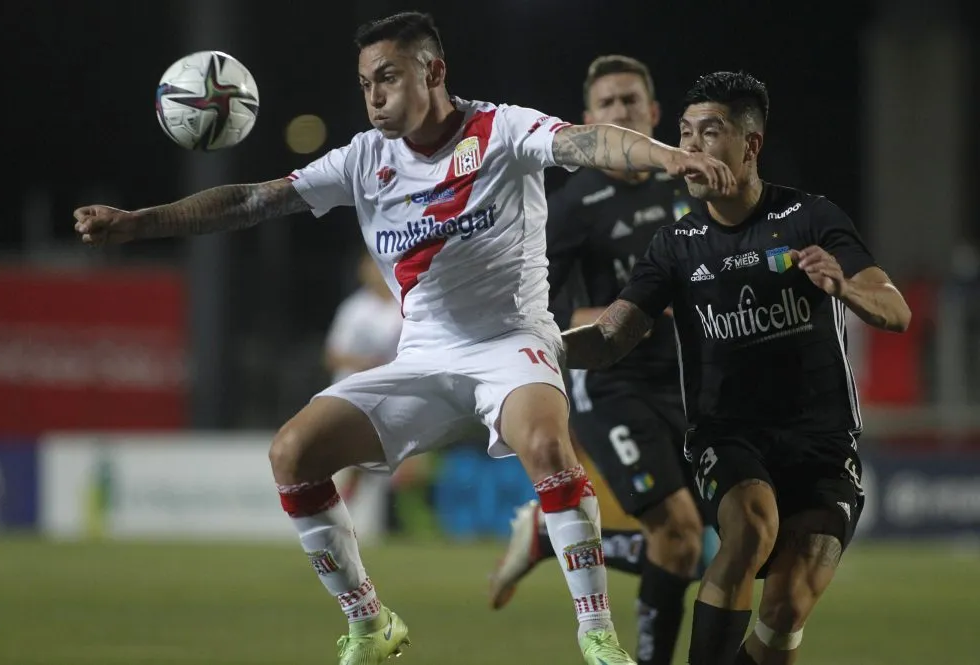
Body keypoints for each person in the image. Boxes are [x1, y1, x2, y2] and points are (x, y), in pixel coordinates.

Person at [72, 12, 734, 665]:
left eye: (388, 76)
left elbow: (588, 143)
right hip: (423, 355)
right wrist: (138, 222)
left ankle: (597, 638)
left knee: (545, 443)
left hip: (510, 342)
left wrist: (670, 157)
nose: (374, 95)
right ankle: (370, 621)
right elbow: (252, 199)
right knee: (292, 452)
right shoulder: (364, 158)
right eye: (365, 83)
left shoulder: (501, 129)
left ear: (434, 71)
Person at [560, 70, 911, 665]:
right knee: (749, 525)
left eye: (710, 132)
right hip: (729, 434)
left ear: (751, 144)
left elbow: (895, 311)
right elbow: (611, 337)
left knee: (784, 612)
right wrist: (531, 352)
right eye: (685, 133)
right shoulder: (674, 245)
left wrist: (845, 287)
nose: (691, 148)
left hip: (823, 442)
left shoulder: (810, 217)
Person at [488, 55, 708, 665]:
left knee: (697, 547)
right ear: (588, 121)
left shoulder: (685, 185)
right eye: (607, 105)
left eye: (630, 101)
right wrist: (617, 314)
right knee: (681, 531)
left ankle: (541, 535)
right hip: (610, 383)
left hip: (691, 384)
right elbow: (534, 310)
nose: (620, 112)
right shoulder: (572, 204)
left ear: (653, 113)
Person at [325, 251, 403, 545]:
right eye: (370, 266)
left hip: (392, 396)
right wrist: (366, 364)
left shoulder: (404, 305)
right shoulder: (355, 308)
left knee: (369, 465)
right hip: (350, 394)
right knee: (355, 461)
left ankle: (341, 519)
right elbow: (332, 355)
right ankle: (335, 518)